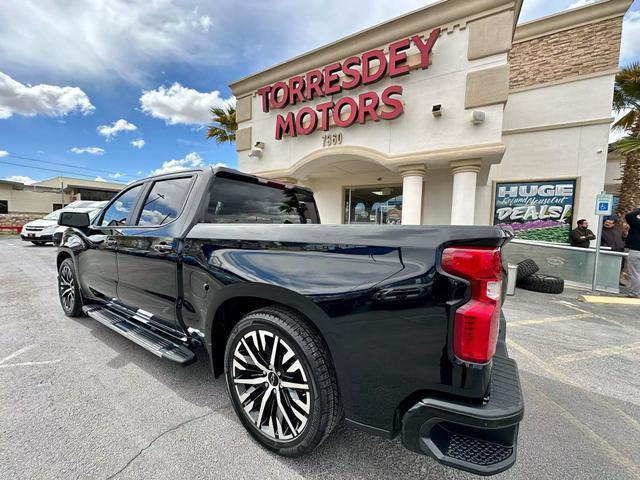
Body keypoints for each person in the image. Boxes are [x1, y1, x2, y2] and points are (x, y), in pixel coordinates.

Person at [625, 208, 640, 298]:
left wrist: (638, 210)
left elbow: (629, 216)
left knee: (635, 273)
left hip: (636, 250)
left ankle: (635, 293)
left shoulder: (637, 224)